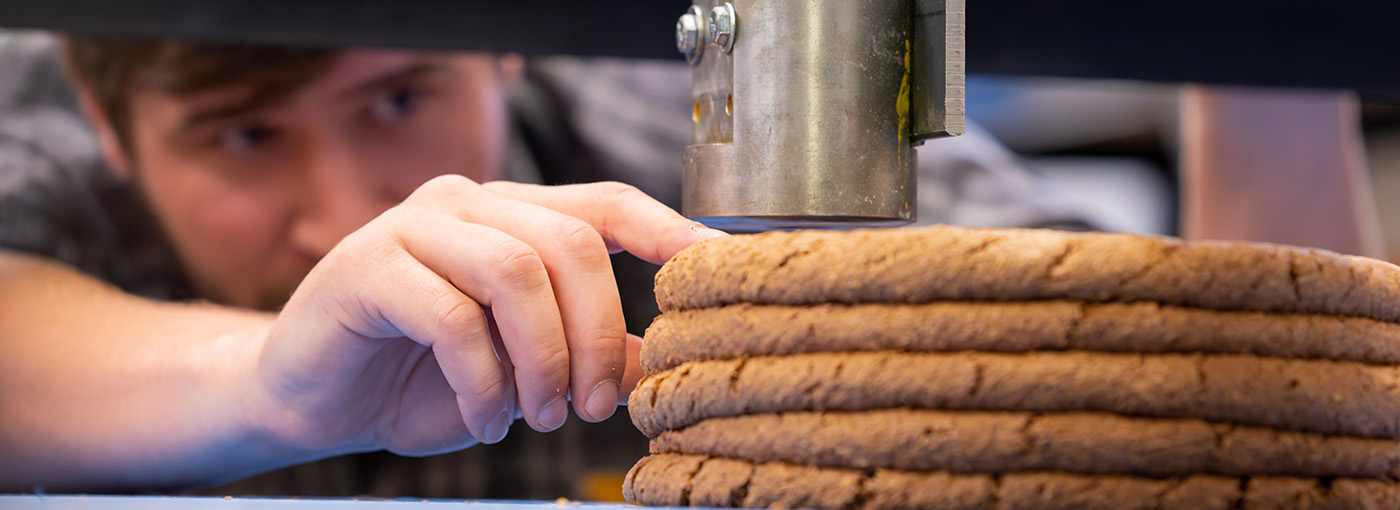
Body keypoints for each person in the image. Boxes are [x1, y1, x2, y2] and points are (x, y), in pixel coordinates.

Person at [0, 28, 1381, 495]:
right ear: (103, 115)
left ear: (500, 39)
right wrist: (276, 385)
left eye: (399, 97)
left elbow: (1167, 373)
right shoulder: (42, 150)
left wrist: (1262, 63)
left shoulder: (700, 120)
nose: (352, 201)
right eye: (242, 138)